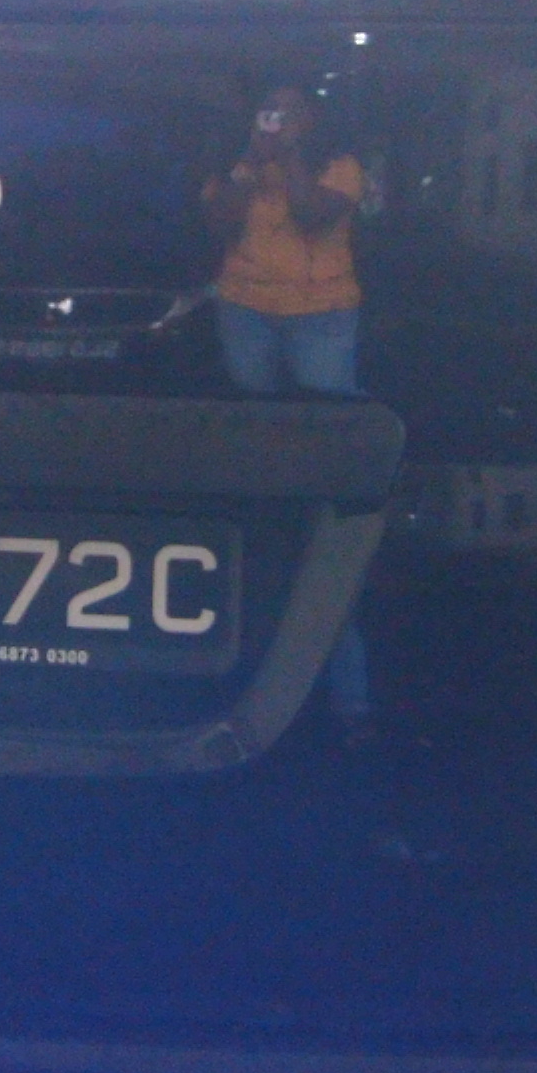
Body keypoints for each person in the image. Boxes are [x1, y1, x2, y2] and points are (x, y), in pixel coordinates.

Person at [203, 83, 374, 738]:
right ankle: (267, 512)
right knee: (256, 426)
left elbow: (312, 217)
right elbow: (218, 223)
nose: (278, 120)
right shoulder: (240, 162)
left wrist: (293, 156)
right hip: (246, 309)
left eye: (290, 112)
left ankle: (329, 514)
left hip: (320, 314)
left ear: (311, 119)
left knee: (327, 432)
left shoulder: (340, 164)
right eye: (270, 110)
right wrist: (251, 161)